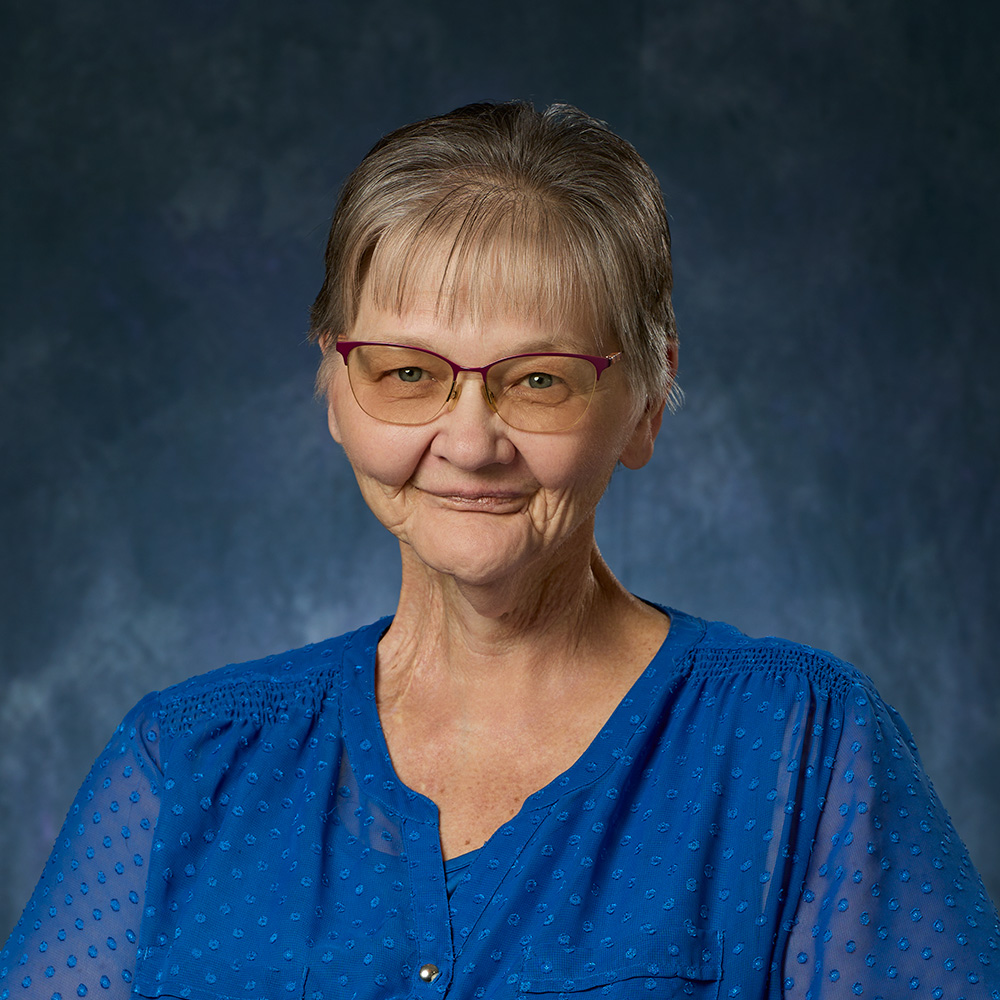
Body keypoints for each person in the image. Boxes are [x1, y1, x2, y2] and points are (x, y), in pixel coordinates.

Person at [1, 101, 997, 1000]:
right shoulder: (185, 760)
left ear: (646, 402)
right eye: (405, 372)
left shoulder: (804, 747)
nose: (470, 440)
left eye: (540, 380)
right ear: (334, 392)